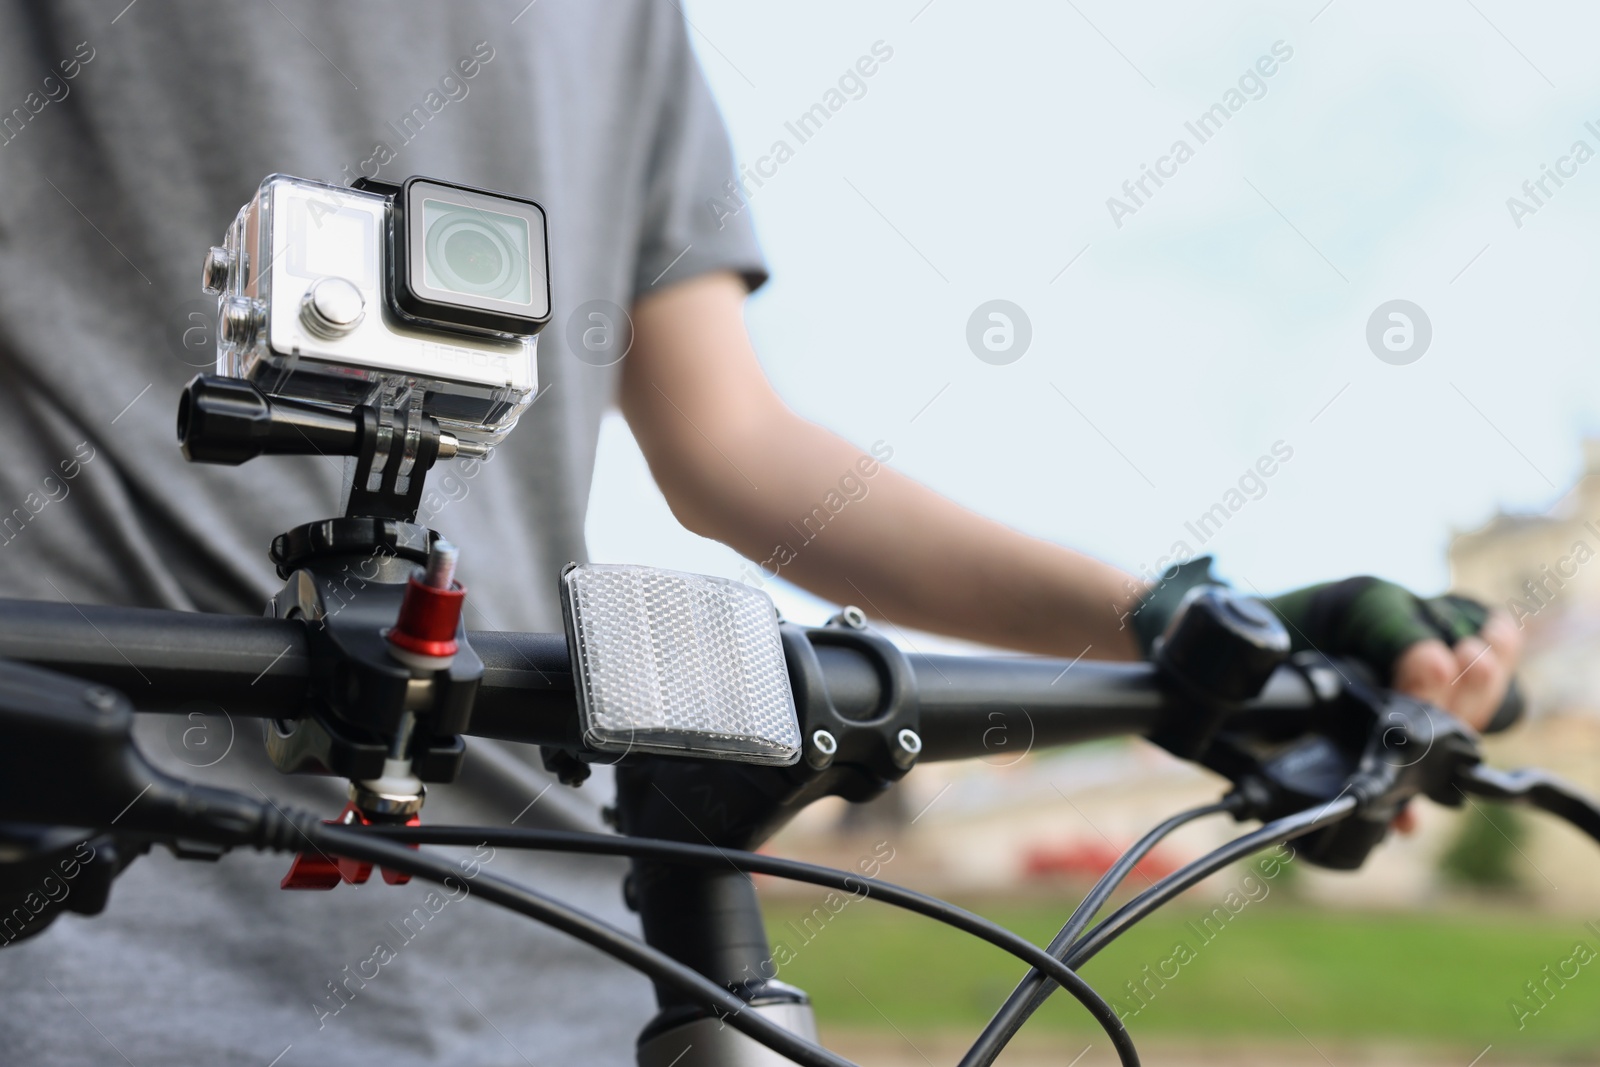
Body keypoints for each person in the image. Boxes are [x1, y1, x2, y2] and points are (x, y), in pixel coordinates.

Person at [0, 3, 1520, 1065]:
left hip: (573, 941)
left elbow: (739, 450)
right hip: (79, 934)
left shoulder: (628, 25)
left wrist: (1176, 622)